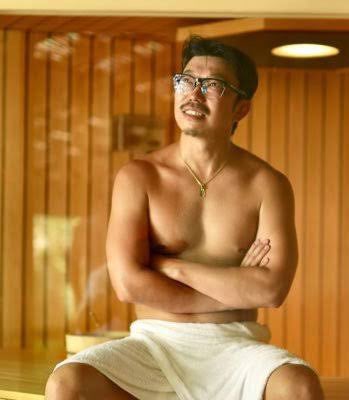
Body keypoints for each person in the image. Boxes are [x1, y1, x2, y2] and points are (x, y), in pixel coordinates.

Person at [45, 35, 324, 400]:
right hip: (156, 345)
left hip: (237, 345)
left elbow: (271, 291)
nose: (194, 94)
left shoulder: (267, 184)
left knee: (299, 386)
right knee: (66, 383)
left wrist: (172, 268)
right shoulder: (139, 177)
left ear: (241, 108)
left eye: (213, 85)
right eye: (186, 80)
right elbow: (128, 285)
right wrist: (235, 288)